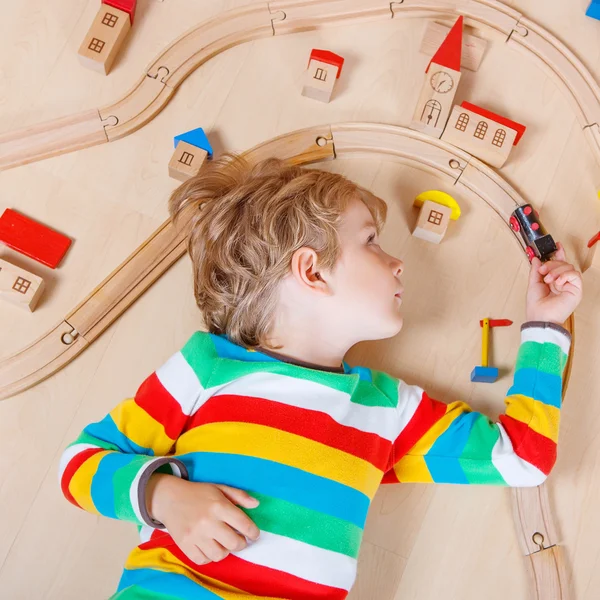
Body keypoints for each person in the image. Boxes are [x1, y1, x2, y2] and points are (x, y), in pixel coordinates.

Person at [58, 154, 582, 599]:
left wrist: (545, 325)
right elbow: (79, 464)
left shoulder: (388, 409)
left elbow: (523, 458)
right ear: (311, 270)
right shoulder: (209, 367)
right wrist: (163, 497)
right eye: (373, 241)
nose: (399, 262)